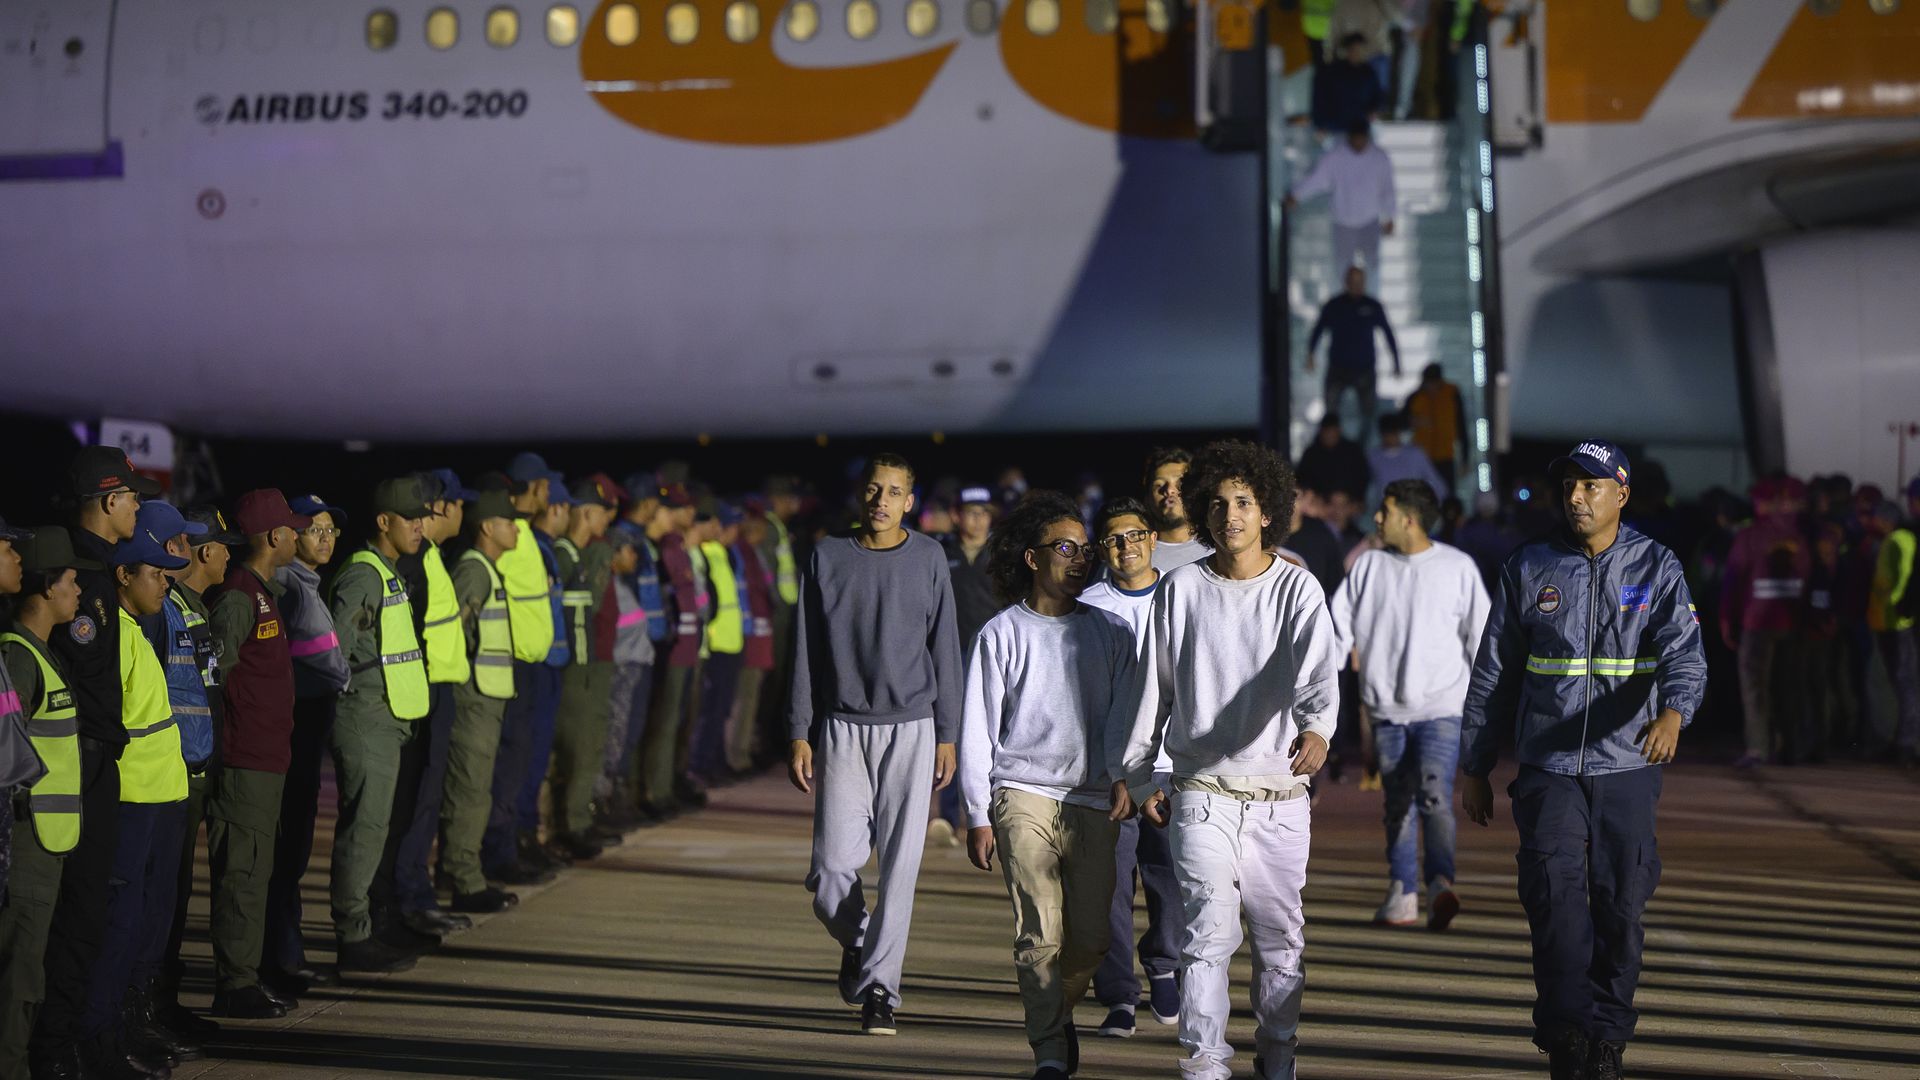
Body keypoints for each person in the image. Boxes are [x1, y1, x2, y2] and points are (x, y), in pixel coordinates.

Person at [1460, 440, 1707, 1080]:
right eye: (1569, 485)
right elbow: (1494, 674)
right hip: (1549, 770)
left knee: (1620, 904)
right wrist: (1476, 766)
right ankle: (1567, 1032)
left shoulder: (1656, 566)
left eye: (1591, 486)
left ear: (1620, 495)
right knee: (1555, 900)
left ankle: (1607, 1034)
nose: (1576, 496)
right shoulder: (1529, 567)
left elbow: (1684, 651)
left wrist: (1674, 713)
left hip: (1627, 767)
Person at [1111, 439, 1339, 1080]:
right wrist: (1140, 772)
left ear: (1268, 512)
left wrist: (1318, 730)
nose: (1229, 514)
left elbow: (1319, 674)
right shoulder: (1180, 589)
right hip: (1201, 790)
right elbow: (1151, 688)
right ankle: (1204, 1062)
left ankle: (1277, 1051)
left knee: (1279, 940)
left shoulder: (1296, 588)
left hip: (1280, 793)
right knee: (1206, 935)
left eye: (1243, 502)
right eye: (1216, 503)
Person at [959, 491, 1136, 1080]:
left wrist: (1127, 779)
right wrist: (978, 813)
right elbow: (979, 726)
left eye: (1086, 550)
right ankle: (1051, 1054)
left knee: (1089, 941)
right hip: (1022, 794)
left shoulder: (1112, 633)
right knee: (1039, 932)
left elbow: (1131, 718)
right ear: (1033, 559)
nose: (1081, 558)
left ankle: (1054, 1015)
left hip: (1093, 799)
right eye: (1066, 548)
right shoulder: (1002, 633)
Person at [787, 453, 963, 1037]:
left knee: (901, 870)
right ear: (861, 496)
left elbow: (946, 649)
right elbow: (806, 648)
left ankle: (882, 990)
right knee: (832, 871)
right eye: (873, 489)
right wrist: (798, 728)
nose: (881, 500)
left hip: (912, 728)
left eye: (894, 492)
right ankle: (860, 943)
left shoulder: (930, 557)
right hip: (841, 727)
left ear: (910, 501)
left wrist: (947, 732)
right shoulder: (828, 556)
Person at [36, 447, 156, 1080]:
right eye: (133, 496)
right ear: (111, 501)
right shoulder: (78, 572)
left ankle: (84, 1039)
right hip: (78, 764)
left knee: (93, 911)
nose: (138, 505)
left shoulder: (101, 570)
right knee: (78, 914)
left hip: (98, 760)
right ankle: (61, 1050)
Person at [1329, 479, 1487, 930]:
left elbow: (1480, 638)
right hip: (1386, 711)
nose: (1376, 519)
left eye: (1385, 511)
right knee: (1398, 802)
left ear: (1409, 519)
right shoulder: (1367, 567)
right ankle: (1402, 891)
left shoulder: (1457, 568)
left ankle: (1439, 882)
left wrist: (1485, 704)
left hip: (1442, 708)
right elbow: (1338, 630)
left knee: (1434, 795)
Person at [86, 514, 191, 1079]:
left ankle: (123, 1028)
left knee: (141, 923)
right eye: (157, 573)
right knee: (117, 926)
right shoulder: (116, 636)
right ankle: (100, 1038)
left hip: (155, 799)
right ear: (124, 575)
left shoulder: (137, 629)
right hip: (130, 803)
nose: (167, 584)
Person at [1077, 497, 1183, 1038]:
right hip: (1109, 773)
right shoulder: (1088, 605)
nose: (1127, 547)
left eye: (1136, 535)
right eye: (1114, 539)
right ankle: (1119, 994)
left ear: (1153, 539)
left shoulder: (1184, 591)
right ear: (1103, 549)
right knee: (1111, 887)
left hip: (1170, 765)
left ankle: (1165, 961)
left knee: (1172, 880)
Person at [205, 490, 309, 1018]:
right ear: (274, 538)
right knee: (242, 875)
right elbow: (214, 676)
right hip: (245, 760)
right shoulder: (241, 595)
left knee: (256, 871)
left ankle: (247, 974)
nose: (298, 535)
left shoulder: (262, 592)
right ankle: (234, 983)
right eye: (292, 528)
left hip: (266, 758)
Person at [326, 478, 433, 974]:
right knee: (364, 830)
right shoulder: (363, 575)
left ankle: (364, 926)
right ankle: (353, 935)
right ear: (383, 522)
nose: (420, 525)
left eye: (421, 516)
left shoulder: (387, 573)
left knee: (374, 827)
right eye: (409, 518)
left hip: (387, 718)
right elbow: (335, 654)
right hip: (366, 716)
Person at [124, 503, 218, 1065]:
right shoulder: (148, 614)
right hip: (145, 790)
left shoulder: (171, 606)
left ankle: (154, 1006)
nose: (184, 553)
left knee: (166, 904)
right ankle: (135, 1015)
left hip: (174, 778)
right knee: (143, 908)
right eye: (176, 543)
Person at [0, 527, 89, 1079]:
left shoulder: (37, 652)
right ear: (45, 588)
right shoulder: (18, 657)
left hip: (47, 839)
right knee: (19, 980)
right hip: (26, 841)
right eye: (72, 581)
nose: (79, 592)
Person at [376, 469, 479, 943]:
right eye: (453, 505)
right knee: (415, 804)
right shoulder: (415, 565)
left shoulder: (432, 558)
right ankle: (408, 899)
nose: (457, 513)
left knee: (426, 800)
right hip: (424, 692)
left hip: (436, 690)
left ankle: (414, 896)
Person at [261, 492, 349, 999]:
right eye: (314, 529)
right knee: (287, 844)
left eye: (331, 529)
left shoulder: (308, 585)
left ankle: (285, 953)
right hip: (295, 723)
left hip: (309, 721)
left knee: (293, 845)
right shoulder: (289, 586)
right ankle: (279, 958)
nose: (325, 538)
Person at [154, 505, 236, 1042]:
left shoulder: (191, 607)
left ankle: (164, 1001)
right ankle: (153, 1006)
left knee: (177, 894)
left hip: (193, 765)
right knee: (162, 896)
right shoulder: (170, 610)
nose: (232, 552)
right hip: (172, 770)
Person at [441, 490, 522, 914]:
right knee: (469, 792)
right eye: (510, 522)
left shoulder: (487, 569)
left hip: (487, 696)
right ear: (488, 527)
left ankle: (461, 871)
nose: (516, 530)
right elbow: (457, 630)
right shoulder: (475, 571)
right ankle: (464, 880)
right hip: (474, 698)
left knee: (476, 790)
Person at [480, 465, 558, 884]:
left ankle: (512, 843)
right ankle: (498, 851)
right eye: (544, 485)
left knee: (521, 763)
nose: (547, 493)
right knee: (507, 766)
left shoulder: (523, 535)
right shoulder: (508, 537)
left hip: (530, 663)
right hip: (508, 666)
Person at [549, 474, 622, 859]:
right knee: (577, 748)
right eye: (603, 512)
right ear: (587, 513)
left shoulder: (580, 552)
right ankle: (570, 825)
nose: (608, 519)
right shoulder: (569, 555)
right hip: (577, 665)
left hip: (590, 660)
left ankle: (578, 821)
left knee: (588, 745)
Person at [1721, 477, 1811, 768]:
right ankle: (1788, 747)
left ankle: (1758, 748)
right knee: (1788, 687)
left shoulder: (1750, 535)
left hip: (1757, 622)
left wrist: (1726, 619)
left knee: (1755, 687)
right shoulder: (1801, 536)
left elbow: (1733, 581)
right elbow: (1810, 579)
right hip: (1793, 624)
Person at [936, 485, 1001, 840]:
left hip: (992, 656)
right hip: (951, 655)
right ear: (958, 515)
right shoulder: (941, 552)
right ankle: (947, 815)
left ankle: (990, 810)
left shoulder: (1002, 554)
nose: (977, 519)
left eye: (983, 513)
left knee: (992, 733)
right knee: (951, 734)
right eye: (970, 512)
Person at [601, 477, 662, 828]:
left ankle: (619, 799)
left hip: (637, 662)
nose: (634, 556)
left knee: (628, 734)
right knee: (615, 736)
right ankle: (605, 803)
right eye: (628, 551)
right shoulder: (613, 586)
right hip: (623, 666)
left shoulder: (624, 584)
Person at [640, 484, 701, 819]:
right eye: (682, 508)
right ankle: (654, 790)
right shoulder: (665, 548)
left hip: (687, 647)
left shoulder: (678, 547)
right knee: (662, 724)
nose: (690, 514)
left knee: (675, 723)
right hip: (674, 649)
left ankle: (665, 785)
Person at [1288, 121, 1395, 278]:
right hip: (1343, 222)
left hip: (1370, 221)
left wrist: (1389, 216)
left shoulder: (1379, 158)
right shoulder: (1335, 157)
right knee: (1342, 267)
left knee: (1372, 266)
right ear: (1349, 138)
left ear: (1367, 138)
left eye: (1362, 139)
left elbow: (1388, 189)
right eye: (1355, 139)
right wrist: (1297, 195)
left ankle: (1371, 297)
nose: (1359, 144)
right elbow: (1317, 180)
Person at [1306, 267, 1400, 442]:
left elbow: (1388, 333)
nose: (1357, 286)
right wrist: (1310, 354)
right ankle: (1332, 445)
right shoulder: (1334, 305)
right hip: (1338, 369)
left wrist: (1396, 361)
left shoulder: (1372, 306)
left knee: (1368, 415)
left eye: (1360, 282)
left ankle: (1360, 449)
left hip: (1364, 369)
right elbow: (1318, 330)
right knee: (1331, 412)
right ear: (1346, 283)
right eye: (1353, 282)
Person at [1867, 492, 1917, 766]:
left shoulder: (1899, 539)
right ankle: (1901, 741)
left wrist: (1896, 609)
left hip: (1894, 622)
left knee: (1901, 682)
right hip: (1888, 620)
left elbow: (1902, 578)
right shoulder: (1894, 539)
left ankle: (1904, 743)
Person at [727, 507, 777, 777]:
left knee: (750, 698)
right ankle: (736, 755)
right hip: (747, 638)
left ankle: (741, 753)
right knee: (743, 698)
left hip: (757, 637)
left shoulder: (753, 554)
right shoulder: (742, 553)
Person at [1404, 363, 1468, 490]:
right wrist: (1415, 422)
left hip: (1445, 455)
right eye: (1429, 383)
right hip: (1422, 456)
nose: (1431, 387)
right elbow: (1401, 422)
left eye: (1434, 383)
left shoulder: (1452, 394)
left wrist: (1465, 458)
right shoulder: (1416, 397)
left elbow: (1461, 426)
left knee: (1447, 493)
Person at [1145, 448, 1209, 574]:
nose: (1169, 490)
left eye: (1179, 483)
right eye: (1159, 485)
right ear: (1147, 497)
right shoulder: (1134, 554)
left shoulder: (1221, 548)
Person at [1309, 34, 1385, 134]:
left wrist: (1374, 110)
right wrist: (1320, 124)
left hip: (1360, 127)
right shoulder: (1332, 72)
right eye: (1354, 50)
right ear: (1346, 51)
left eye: (1361, 50)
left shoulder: (1368, 73)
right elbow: (1320, 99)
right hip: (1335, 126)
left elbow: (1377, 96)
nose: (1357, 53)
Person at [1296, 417, 1371, 513]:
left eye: (1332, 432)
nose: (1330, 436)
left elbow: (1362, 477)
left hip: (1349, 504)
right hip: (1319, 506)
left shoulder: (1352, 451)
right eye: (1327, 432)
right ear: (1321, 432)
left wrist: (1352, 498)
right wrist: (1316, 498)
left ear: (1338, 431)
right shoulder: (1311, 454)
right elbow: (1302, 479)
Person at [1368, 415, 1446, 504]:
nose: (1391, 438)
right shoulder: (1374, 457)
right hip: (1388, 510)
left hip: (1413, 508)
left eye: (1394, 433)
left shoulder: (1415, 454)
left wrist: (1441, 501)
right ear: (1382, 435)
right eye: (1387, 434)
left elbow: (1434, 480)